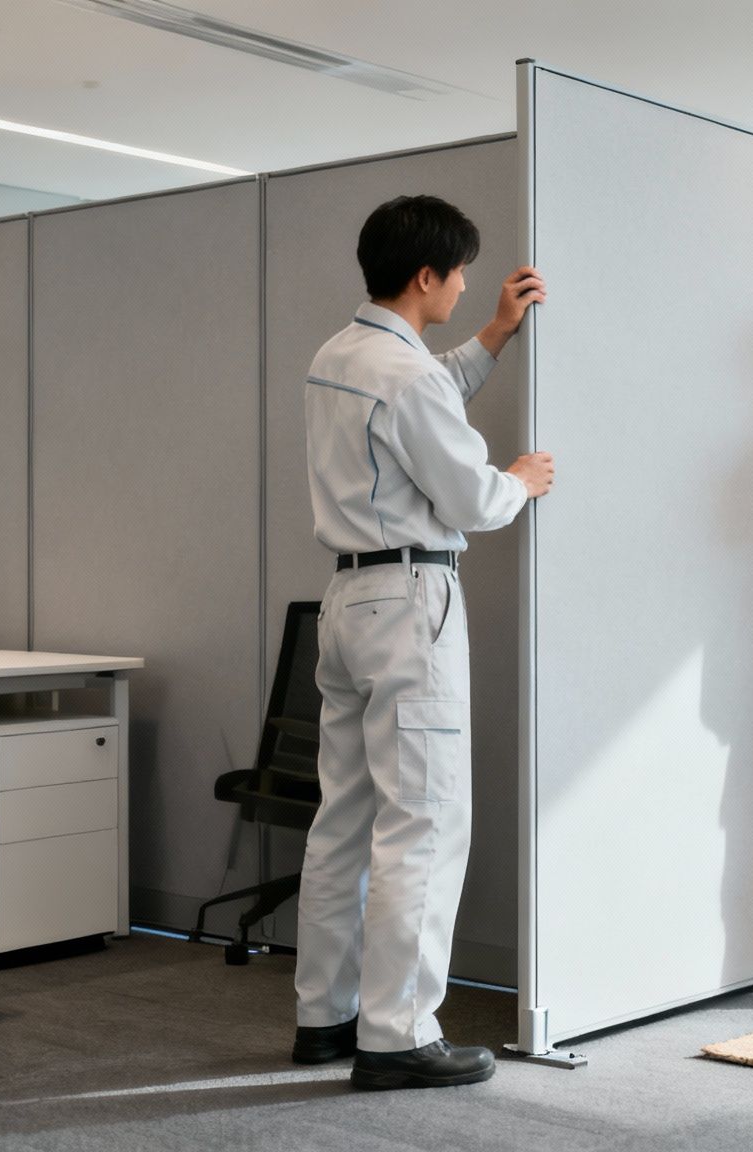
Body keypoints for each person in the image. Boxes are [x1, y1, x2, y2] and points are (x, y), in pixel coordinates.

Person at [290, 194, 552, 1088]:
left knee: (344, 823)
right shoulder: (405, 378)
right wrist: (518, 480)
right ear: (425, 276)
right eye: (462, 273)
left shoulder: (342, 355)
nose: (469, 283)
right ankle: (398, 1035)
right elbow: (473, 499)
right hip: (410, 605)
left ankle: (323, 1018)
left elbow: (425, 394)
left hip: (346, 604)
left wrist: (493, 335)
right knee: (424, 822)